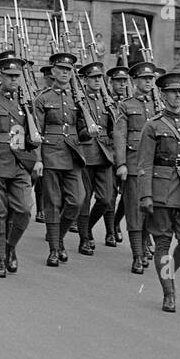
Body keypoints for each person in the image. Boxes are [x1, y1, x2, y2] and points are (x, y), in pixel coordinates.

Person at [137, 69, 180, 312]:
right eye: (172, 93)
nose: (177, 96)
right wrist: (145, 195)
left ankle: (169, 273)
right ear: (163, 95)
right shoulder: (152, 126)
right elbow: (144, 164)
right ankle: (169, 291)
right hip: (161, 192)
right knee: (164, 244)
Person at [0, 54, 42, 278]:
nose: (14, 79)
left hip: (20, 162)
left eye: (17, 76)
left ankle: (11, 246)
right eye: (9, 75)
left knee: (23, 210)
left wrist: (38, 159)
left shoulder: (25, 101)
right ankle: (0, 259)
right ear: (0, 75)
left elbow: (34, 134)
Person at [32, 51, 87, 266]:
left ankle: (58, 236)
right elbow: (37, 132)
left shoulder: (78, 99)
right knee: (53, 203)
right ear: (53, 71)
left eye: (69, 70)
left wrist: (88, 131)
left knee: (77, 200)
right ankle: (54, 249)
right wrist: (38, 159)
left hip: (73, 154)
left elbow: (81, 128)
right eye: (61, 69)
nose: (65, 73)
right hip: (51, 153)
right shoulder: (43, 98)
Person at [114, 60, 159, 273]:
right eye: (145, 79)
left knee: (150, 210)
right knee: (133, 210)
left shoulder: (159, 105)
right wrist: (121, 163)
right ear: (135, 81)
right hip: (133, 164)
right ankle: (137, 255)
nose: (149, 82)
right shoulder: (126, 105)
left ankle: (144, 245)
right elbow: (120, 135)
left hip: (155, 166)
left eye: (151, 79)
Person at [75, 60, 117, 254]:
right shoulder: (79, 101)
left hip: (105, 155)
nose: (98, 80)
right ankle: (84, 239)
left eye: (100, 77)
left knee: (106, 199)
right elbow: (75, 128)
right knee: (84, 200)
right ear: (84, 80)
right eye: (93, 77)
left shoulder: (106, 101)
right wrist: (86, 132)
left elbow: (113, 129)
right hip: (86, 154)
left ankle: (88, 227)